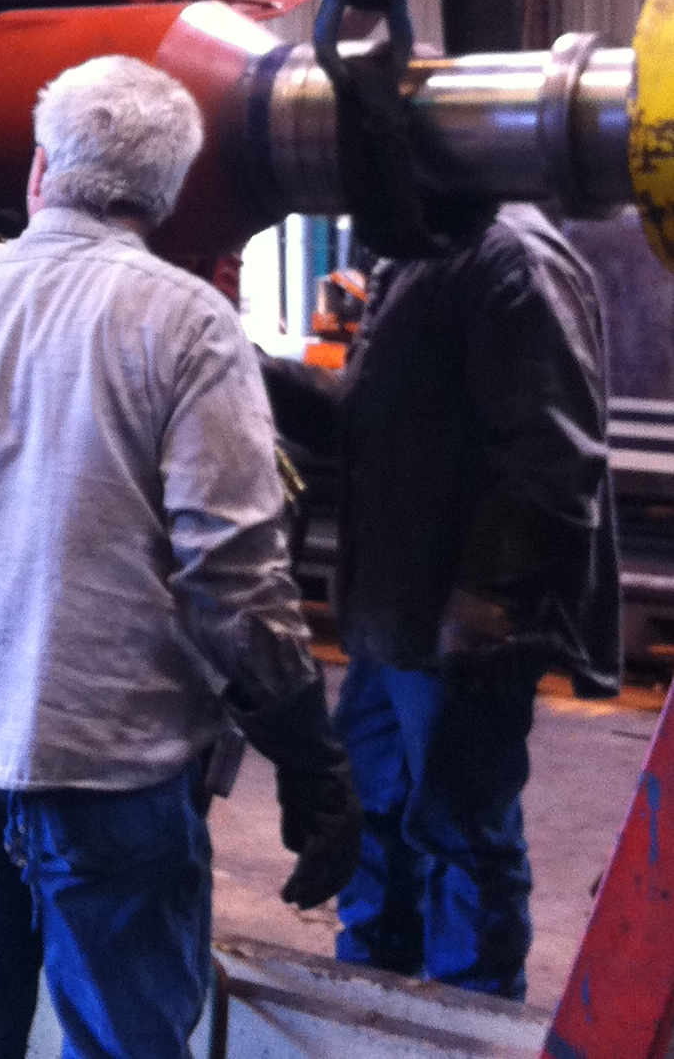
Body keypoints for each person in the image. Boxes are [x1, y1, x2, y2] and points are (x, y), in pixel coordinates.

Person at [0, 55, 362, 1059]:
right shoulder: (188, 324)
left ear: (38, 169)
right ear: (167, 194)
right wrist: (309, 761)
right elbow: (233, 578)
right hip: (109, 768)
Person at [266, 203, 621, 1000]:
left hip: (458, 633)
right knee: (374, 822)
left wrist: (487, 607)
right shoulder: (418, 255)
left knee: (460, 836)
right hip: (393, 618)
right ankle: (367, 1008)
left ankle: (469, 1018)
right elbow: (364, 417)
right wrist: (251, 369)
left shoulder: (514, 261)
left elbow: (556, 460)